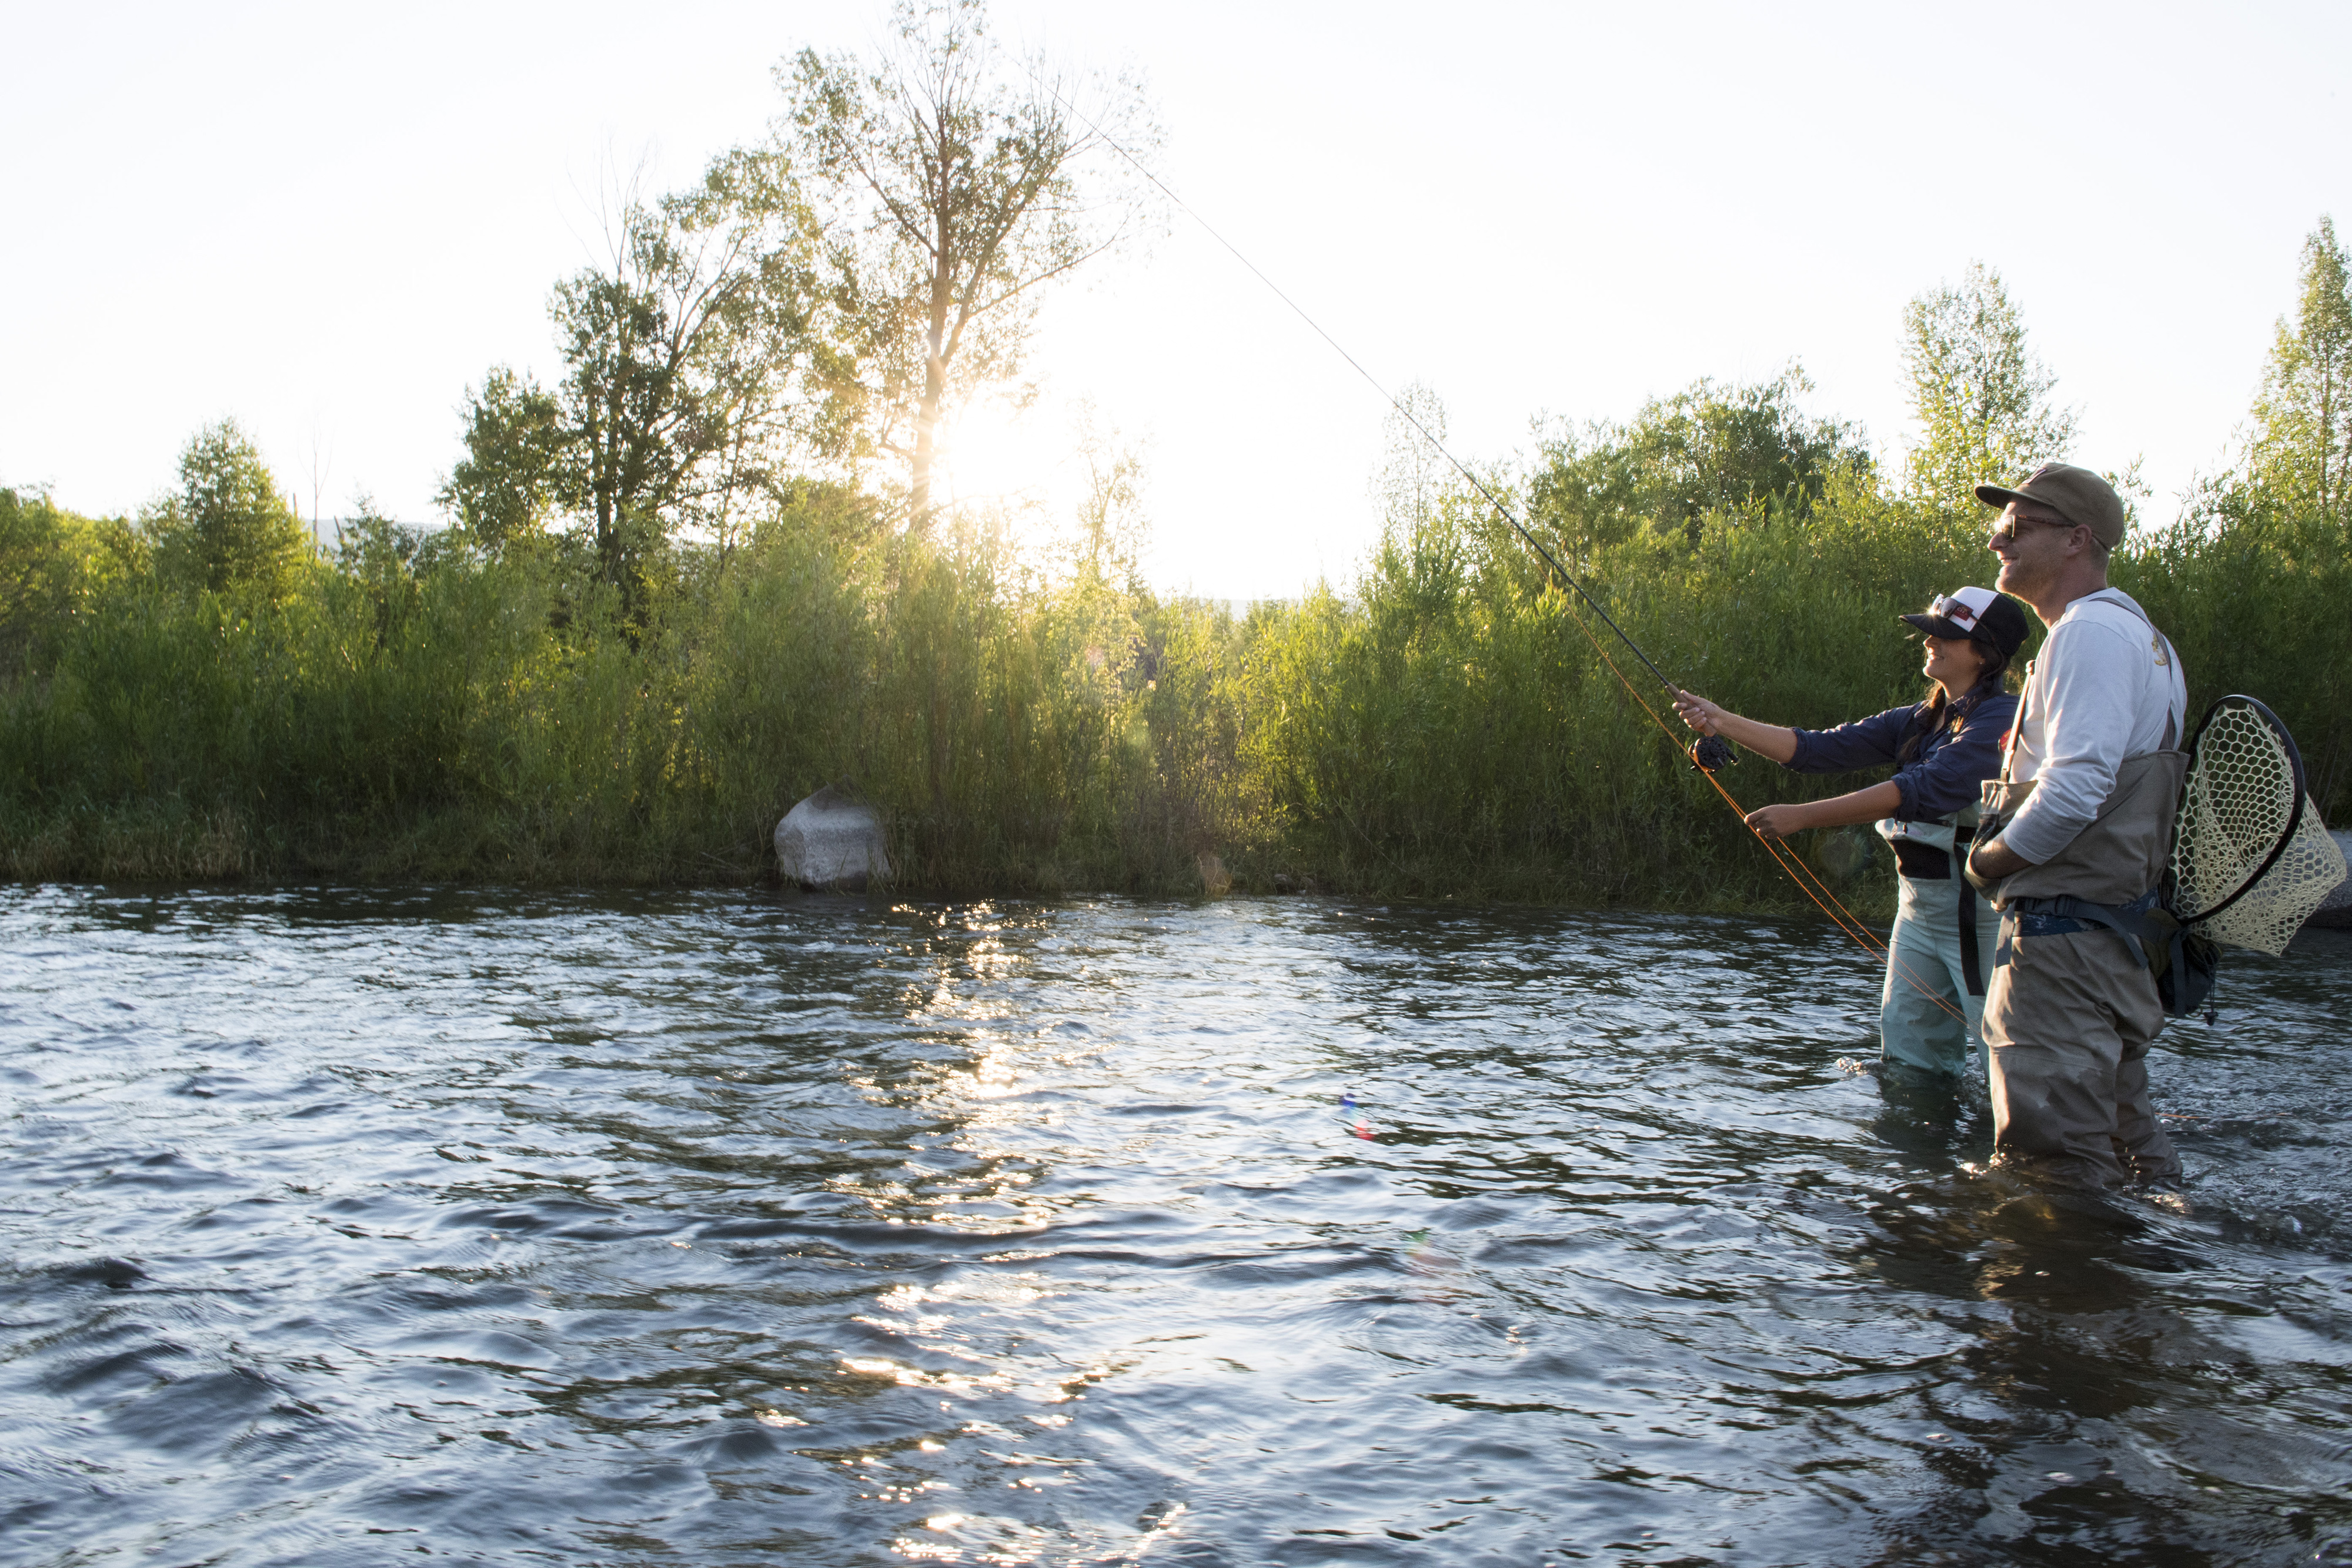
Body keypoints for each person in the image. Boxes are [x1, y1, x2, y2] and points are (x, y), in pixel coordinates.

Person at [1673, 586, 2027, 1085]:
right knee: (1909, 1063)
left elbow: (1920, 788)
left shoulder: (2001, 719)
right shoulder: (1917, 720)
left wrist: (1803, 817)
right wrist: (1721, 720)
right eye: (1930, 632)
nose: (1931, 642)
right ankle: (1924, 1157)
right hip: (1918, 910)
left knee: (2010, 1060)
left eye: (1947, 636)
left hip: (1979, 917)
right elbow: (1815, 750)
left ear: (1986, 653)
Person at [1963, 462, 2190, 1189]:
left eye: (2018, 525)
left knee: (2049, 1170)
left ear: (2076, 540)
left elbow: (2077, 786)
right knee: (2132, 1157)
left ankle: (2068, 1298)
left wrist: (1991, 860)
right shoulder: (2139, 637)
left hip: (2062, 948)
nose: (1998, 539)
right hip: (2107, 942)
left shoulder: (2087, 635)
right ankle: (2152, 1287)